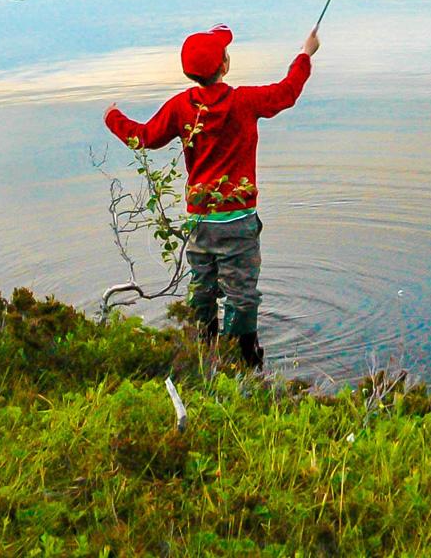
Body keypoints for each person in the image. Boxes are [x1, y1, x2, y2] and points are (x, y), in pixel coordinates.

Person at [104, 24, 319, 369]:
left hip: (200, 222)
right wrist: (305, 55)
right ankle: (244, 362)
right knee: (241, 293)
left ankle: (202, 353)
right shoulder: (245, 101)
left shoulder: (180, 107)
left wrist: (113, 118)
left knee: (202, 288)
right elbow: (286, 92)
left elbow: (143, 137)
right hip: (238, 220)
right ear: (225, 65)